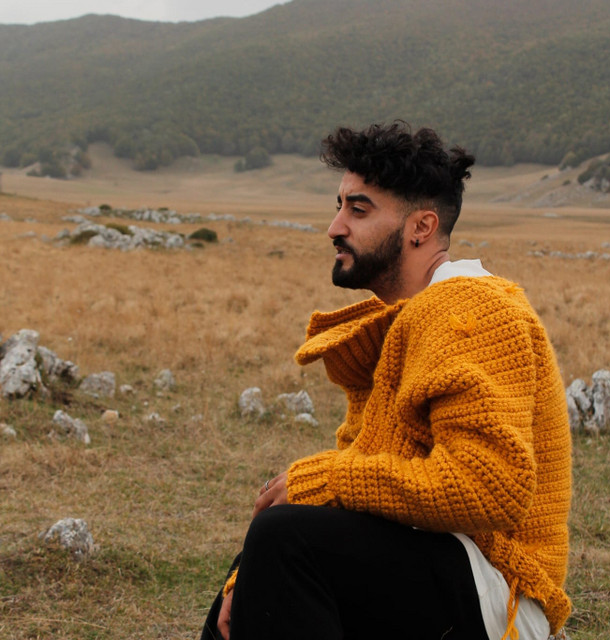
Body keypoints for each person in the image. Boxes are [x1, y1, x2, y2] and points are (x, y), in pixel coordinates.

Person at [200, 122, 572, 640]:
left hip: (503, 589)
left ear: (421, 227)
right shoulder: (412, 318)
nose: (334, 227)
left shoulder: (472, 308)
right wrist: (250, 575)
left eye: (359, 210)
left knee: (285, 540)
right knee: (257, 566)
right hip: (439, 563)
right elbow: (366, 481)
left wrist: (328, 480)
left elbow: (489, 489)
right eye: (339, 206)